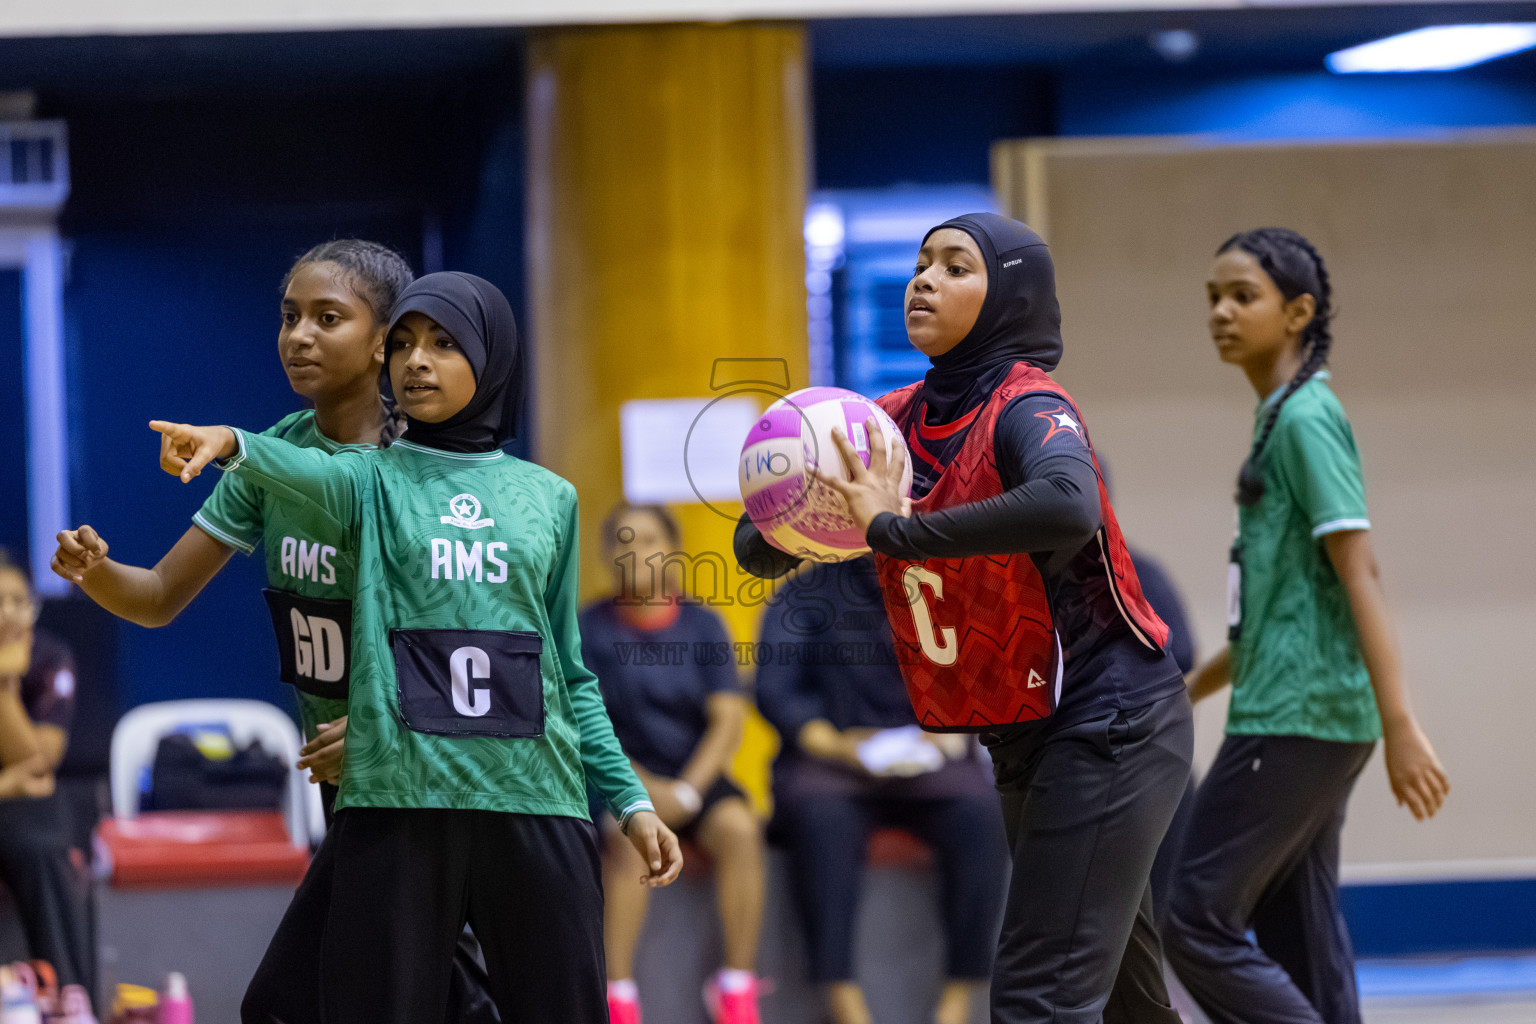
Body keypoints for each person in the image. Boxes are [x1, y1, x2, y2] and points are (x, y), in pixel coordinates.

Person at [147, 271, 682, 1024]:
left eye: (444, 343)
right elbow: (292, 466)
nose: (416, 361)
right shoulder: (367, 478)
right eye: (401, 344)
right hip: (400, 804)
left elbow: (567, 673)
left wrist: (630, 801)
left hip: (534, 800)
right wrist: (232, 443)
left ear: (493, 359)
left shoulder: (550, 497)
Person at [736, 213, 1192, 1024]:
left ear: (1010, 297)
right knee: (1126, 1000)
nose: (925, 279)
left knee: (1036, 997)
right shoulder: (893, 421)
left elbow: (1069, 502)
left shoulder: (1029, 403)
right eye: (921, 264)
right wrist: (792, 505)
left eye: (956, 267)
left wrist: (894, 529)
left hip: (1110, 721)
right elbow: (757, 548)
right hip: (1022, 733)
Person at [50, 240, 498, 1023]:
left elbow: (479, 659)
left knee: (295, 1003)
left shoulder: (433, 471)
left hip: (424, 780)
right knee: (425, 995)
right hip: (344, 784)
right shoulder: (279, 450)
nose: (299, 336)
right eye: (290, 317)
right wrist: (95, 573)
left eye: (329, 318)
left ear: (388, 338)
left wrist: (382, 735)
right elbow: (157, 596)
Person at [1165, 227, 1450, 1024]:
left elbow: (1360, 571)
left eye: (1242, 297)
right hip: (1310, 714)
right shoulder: (1277, 418)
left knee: (1193, 918)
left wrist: (1402, 724)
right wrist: (1185, 691)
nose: (1220, 312)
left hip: (1300, 717)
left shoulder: (1305, 421)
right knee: (1300, 932)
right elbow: (1270, 612)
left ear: (1298, 313)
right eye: (1212, 298)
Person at [756, 557, 1006, 1024]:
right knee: (819, 816)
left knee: (982, 810)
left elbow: (977, 667)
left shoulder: (937, 584)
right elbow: (776, 690)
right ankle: (843, 998)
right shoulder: (804, 593)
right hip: (836, 761)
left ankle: (957, 998)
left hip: (930, 760)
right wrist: (832, 742)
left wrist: (954, 726)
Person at [579, 502, 764, 1024]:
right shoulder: (586, 630)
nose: (636, 552)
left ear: (674, 552)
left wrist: (684, 792)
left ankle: (735, 989)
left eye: (650, 541)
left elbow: (727, 721)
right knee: (631, 840)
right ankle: (618, 997)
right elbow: (587, 728)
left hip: (695, 779)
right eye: (624, 541)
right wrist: (643, 791)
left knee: (740, 829)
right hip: (618, 780)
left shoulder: (704, 625)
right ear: (606, 555)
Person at [0, 550, 93, 1004]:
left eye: (19, 600)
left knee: (39, 838)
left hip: (25, 812)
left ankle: (68, 996)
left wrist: (3, 687)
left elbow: (41, 763)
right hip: (12, 798)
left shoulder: (51, 657)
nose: (10, 613)